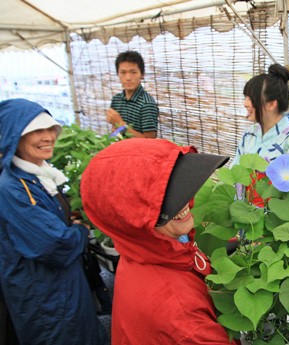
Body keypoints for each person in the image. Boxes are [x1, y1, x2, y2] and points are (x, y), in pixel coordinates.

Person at [80, 138, 238, 345]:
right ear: (132, 218)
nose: (184, 202)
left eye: (181, 186)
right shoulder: (181, 314)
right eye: (167, 199)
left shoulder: (143, 249)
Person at [0, 98, 105, 344]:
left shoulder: (36, 175)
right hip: (43, 291)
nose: (48, 137)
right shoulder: (13, 188)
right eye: (36, 131)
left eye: (51, 129)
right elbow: (52, 244)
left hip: (60, 284)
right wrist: (80, 231)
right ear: (15, 136)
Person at [231, 64, 289, 205]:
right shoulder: (248, 134)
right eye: (245, 97)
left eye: (251, 98)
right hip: (246, 216)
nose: (245, 103)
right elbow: (234, 174)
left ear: (271, 104)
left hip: (276, 219)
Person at [106, 50, 159, 138]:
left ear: (142, 74)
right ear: (118, 74)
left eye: (133, 72)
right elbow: (116, 132)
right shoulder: (116, 99)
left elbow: (150, 142)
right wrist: (116, 130)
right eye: (123, 72)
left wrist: (120, 124)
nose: (128, 78)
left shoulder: (147, 104)